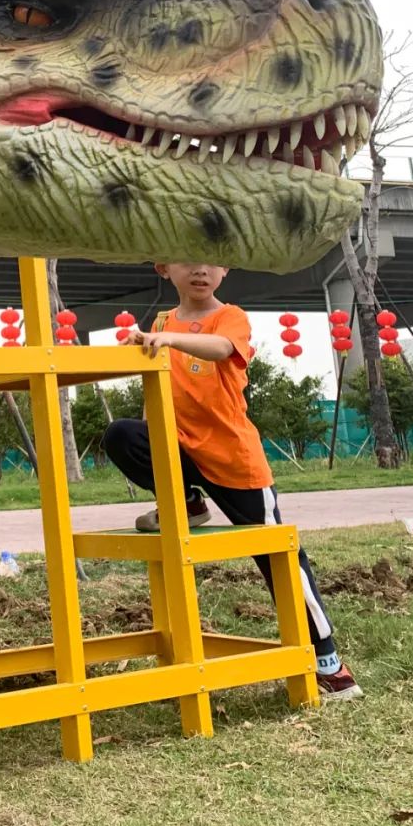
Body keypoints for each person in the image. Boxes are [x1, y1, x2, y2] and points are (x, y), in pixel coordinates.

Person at [101, 261, 362, 701]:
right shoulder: (162, 322)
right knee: (121, 435)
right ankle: (187, 502)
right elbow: (156, 387)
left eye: (210, 262)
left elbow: (222, 348)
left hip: (232, 459)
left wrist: (166, 339)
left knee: (278, 557)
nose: (199, 271)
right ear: (165, 268)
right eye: (187, 261)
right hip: (181, 450)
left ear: (224, 270)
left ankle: (327, 661)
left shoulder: (230, 317)